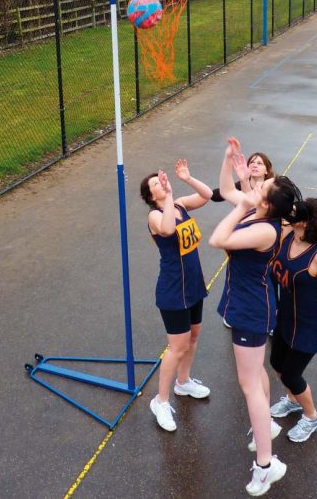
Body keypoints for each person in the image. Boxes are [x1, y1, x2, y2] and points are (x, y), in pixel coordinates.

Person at [209, 138, 301, 497]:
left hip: (252, 309)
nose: (256, 184)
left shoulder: (265, 228)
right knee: (254, 377)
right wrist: (228, 159)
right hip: (247, 305)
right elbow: (226, 189)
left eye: (261, 186)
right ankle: (265, 429)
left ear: (266, 202)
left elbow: (218, 239)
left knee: (249, 385)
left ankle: (266, 465)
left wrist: (242, 205)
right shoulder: (258, 213)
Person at [140, 159, 213, 432]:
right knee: (177, 347)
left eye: (161, 180)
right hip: (173, 289)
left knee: (193, 337)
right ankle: (160, 400)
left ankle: (183, 382)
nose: (162, 183)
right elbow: (168, 229)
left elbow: (207, 195)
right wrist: (169, 196)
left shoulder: (180, 203)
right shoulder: (155, 216)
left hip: (193, 283)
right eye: (155, 184)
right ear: (151, 196)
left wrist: (187, 178)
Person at [269, 198, 317, 443]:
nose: (292, 212)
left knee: (291, 374)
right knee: (276, 361)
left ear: (308, 221)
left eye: (298, 212)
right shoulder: (289, 233)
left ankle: (312, 416)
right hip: (286, 315)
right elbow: (271, 204)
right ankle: (292, 400)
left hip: (309, 323)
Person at [211, 151, 275, 328]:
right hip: (240, 241)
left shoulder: (269, 215)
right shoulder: (252, 193)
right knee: (235, 279)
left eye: (260, 163)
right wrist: (228, 160)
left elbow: (250, 206)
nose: (255, 165)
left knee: (263, 282)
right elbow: (224, 191)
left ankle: (269, 319)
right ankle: (233, 312)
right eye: (252, 162)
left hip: (254, 247)